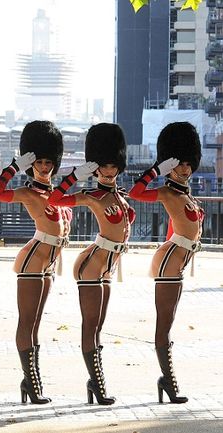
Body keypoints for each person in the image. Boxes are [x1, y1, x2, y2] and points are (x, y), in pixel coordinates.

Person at [48, 123, 133, 405]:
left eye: (113, 167)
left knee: (98, 327)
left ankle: (94, 382)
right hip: (92, 264)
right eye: (103, 167)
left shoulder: (119, 196)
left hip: (108, 267)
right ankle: (97, 384)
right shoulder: (91, 195)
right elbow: (54, 199)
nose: (109, 172)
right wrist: (74, 175)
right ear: (94, 168)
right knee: (90, 325)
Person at [0, 120, 70, 404]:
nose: (45, 167)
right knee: (27, 322)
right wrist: (14, 166)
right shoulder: (27, 191)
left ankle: (31, 380)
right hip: (33, 261)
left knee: (36, 324)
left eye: (49, 161)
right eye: (39, 162)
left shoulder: (57, 194)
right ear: (31, 163)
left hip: (48, 264)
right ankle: (32, 382)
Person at [129, 122, 203, 404]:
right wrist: (156, 170)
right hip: (170, 263)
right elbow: (135, 193)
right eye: (179, 164)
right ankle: (169, 381)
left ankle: (166, 379)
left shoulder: (185, 193)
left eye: (187, 163)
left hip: (178, 262)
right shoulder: (168, 192)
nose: (184, 169)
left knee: (168, 321)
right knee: (164, 324)